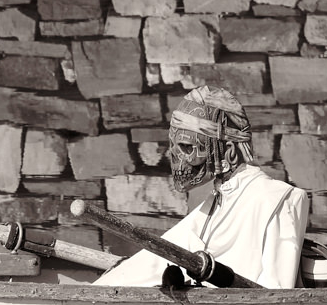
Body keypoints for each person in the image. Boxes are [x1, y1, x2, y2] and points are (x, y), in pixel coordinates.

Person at [96, 86, 310, 290]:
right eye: (174, 148)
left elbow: (277, 295)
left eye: (187, 147)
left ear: (229, 152)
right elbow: (159, 256)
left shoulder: (278, 201)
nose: (176, 158)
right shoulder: (220, 198)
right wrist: (113, 280)